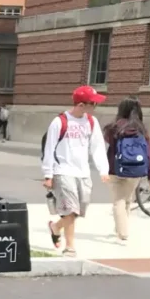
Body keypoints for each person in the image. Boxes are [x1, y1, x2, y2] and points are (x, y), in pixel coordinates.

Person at [42, 85, 110, 257]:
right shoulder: (59, 122)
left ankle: (56, 227)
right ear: (81, 105)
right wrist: (48, 174)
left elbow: (97, 146)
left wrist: (103, 168)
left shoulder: (91, 122)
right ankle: (70, 246)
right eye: (93, 104)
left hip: (83, 173)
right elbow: (49, 149)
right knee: (71, 211)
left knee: (78, 210)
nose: (95, 107)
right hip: (63, 171)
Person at [103, 97, 150, 242]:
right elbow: (149, 153)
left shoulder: (113, 127)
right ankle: (120, 228)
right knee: (127, 199)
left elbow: (108, 145)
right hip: (136, 170)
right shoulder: (141, 129)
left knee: (118, 201)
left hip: (116, 168)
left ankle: (123, 232)